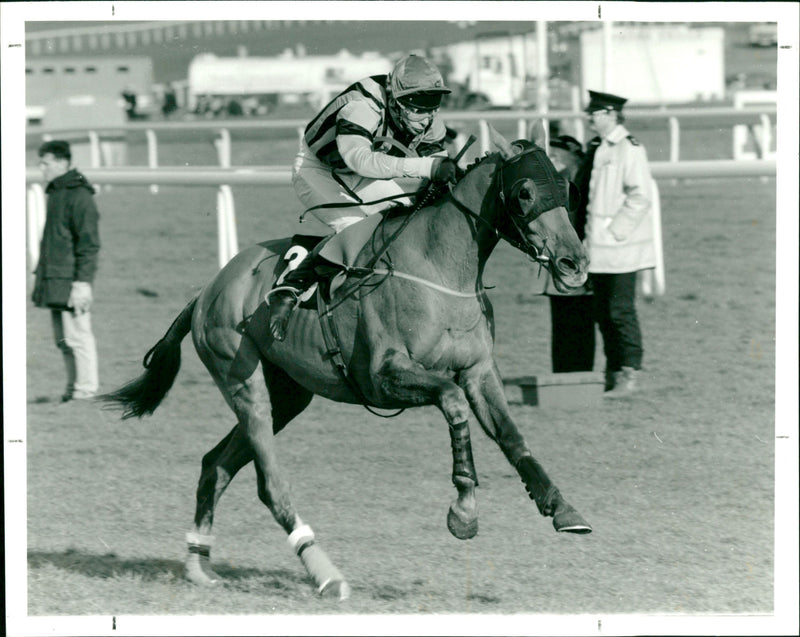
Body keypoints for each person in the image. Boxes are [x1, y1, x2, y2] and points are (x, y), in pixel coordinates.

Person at [266, 54, 459, 341]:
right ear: (395, 100)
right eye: (418, 109)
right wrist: (424, 168)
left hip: (360, 170)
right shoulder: (362, 106)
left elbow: (436, 164)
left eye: (433, 107)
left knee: (406, 217)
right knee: (355, 230)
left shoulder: (427, 116)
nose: (427, 118)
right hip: (318, 169)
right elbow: (360, 160)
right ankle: (290, 287)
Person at [581, 90, 656, 397]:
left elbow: (641, 195)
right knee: (603, 311)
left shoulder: (629, 148)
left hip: (621, 249)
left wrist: (615, 231)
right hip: (597, 248)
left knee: (620, 310)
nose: (589, 118)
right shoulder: (597, 148)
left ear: (611, 115)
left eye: (594, 114)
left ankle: (629, 372)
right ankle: (613, 372)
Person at [33, 140, 101, 402]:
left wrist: (82, 283)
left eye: (46, 163)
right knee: (63, 339)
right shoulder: (58, 192)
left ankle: (86, 390)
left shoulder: (79, 195)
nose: (42, 168)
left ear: (62, 163)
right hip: (55, 278)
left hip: (71, 280)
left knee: (78, 336)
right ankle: (74, 389)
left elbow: (89, 244)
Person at [543, 135, 596, 374]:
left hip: (584, 256)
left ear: (572, 154)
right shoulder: (558, 182)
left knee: (581, 316)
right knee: (562, 318)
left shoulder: (586, 181)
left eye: (556, 155)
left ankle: (582, 372)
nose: (552, 159)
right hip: (562, 259)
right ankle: (563, 372)